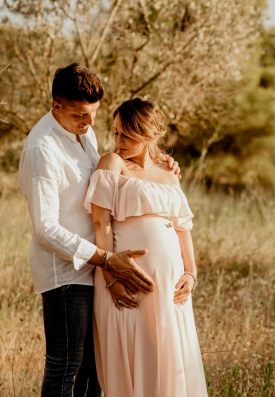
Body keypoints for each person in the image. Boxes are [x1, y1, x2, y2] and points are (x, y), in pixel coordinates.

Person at [18, 63, 179, 397]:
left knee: (94, 369)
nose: (90, 123)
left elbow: (114, 176)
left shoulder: (82, 130)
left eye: (93, 114)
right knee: (66, 366)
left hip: (98, 267)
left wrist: (160, 162)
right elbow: (45, 229)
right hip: (67, 273)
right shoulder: (41, 150)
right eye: (80, 115)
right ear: (56, 107)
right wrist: (107, 259)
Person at [84, 98, 208, 397]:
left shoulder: (168, 173)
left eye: (127, 134)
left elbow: (182, 228)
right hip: (125, 282)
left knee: (171, 359)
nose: (119, 141)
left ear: (149, 134)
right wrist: (110, 277)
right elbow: (102, 225)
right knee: (135, 359)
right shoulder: (112, 163)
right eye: (115, 133)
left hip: (170, 286)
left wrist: (191, 273)